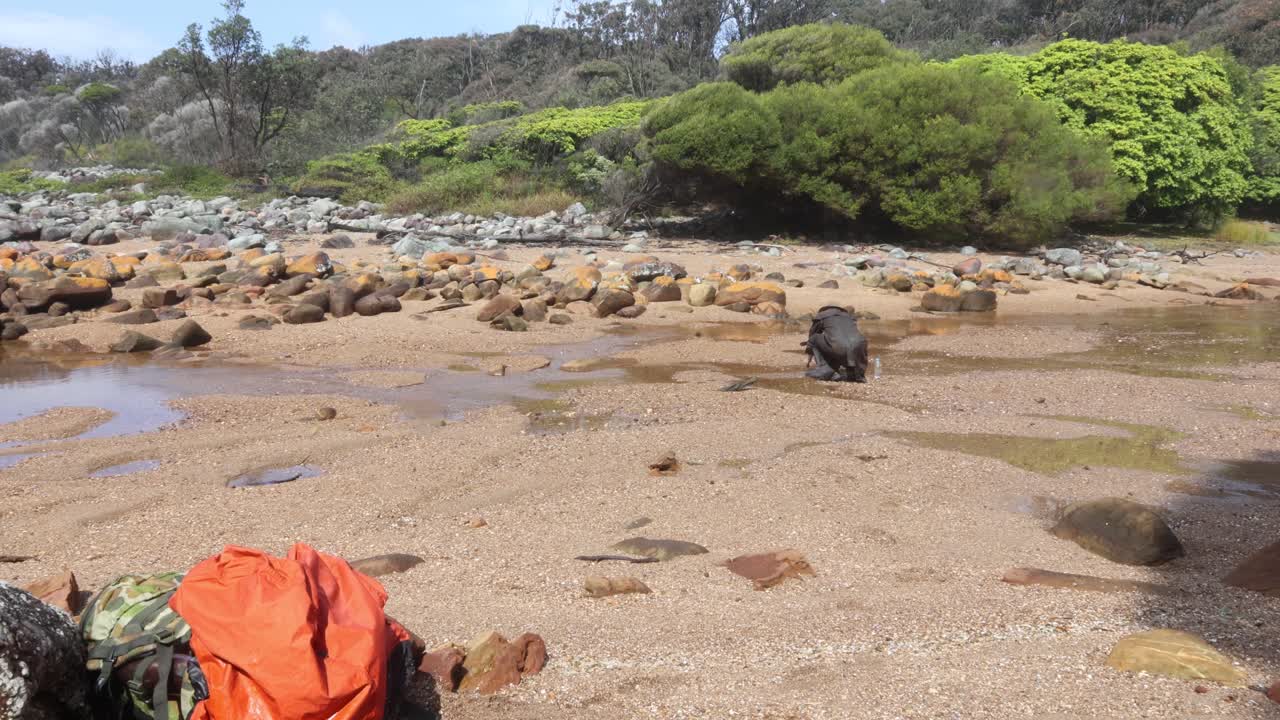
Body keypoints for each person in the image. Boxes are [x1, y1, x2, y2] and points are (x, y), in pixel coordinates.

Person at [804, 306, 869, 383]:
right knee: (848, 342)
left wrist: (810, 354)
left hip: (840, 348)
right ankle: (855, 373)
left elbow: (812, 336)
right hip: (859, 350)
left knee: (816, 338)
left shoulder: (822, 315)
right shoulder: (849, 317)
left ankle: (825, 369)